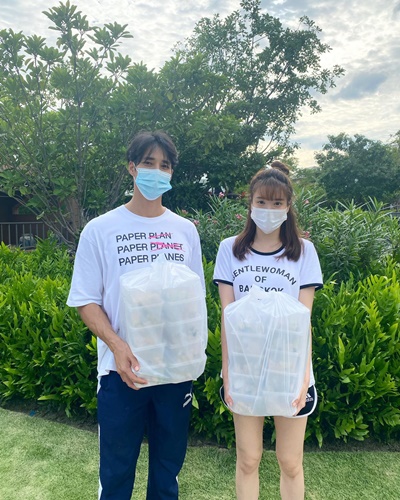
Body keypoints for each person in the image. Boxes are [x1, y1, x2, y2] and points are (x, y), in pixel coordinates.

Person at [67, 131, 205, 500]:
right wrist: (117, 345)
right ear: (132, 167)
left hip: (174, 373)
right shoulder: (100, 230)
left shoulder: (185, 231)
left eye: (165, 165)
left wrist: (193, 355)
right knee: (115, 474)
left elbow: (194, 302)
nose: (156, 171)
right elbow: (85, 300)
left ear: (171, 173)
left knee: (167, 474)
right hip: (120, 372)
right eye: (148, 163)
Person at [213, 161, 323, 500]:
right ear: (250, 203)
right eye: (262, 201)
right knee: (248, 459)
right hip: (245, 370)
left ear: (288, 206)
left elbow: (303, 322)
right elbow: (228, 317)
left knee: (290, 461)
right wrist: (227, 372)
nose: (269, 209)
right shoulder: (230, 249)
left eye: (277, 203)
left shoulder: (303, 252)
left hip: (288, 370)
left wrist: (303, 378)